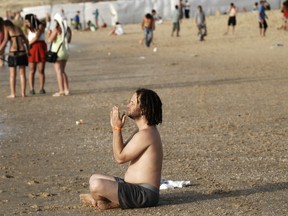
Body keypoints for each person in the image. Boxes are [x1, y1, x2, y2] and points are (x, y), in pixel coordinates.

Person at [80, 88, 163, 210]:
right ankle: (107, 201)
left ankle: (106, 202)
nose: (128, 105)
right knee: (94, 178)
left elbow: (120, 158)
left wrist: (116, 129)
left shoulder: (146, 134)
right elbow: (123, 150)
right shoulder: (142, 131)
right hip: (132, 187)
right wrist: (117, 128)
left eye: (133, 103)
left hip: (144, 194)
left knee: (96, 185)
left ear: (143, 109)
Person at [0, 18, 29, 98]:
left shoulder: (7, 28)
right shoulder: (18, 28)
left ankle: (13, 94)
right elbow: (26, 41)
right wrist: (28, 51)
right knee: (22, 74)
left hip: (13, 54)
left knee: (12, 75)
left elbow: (5, 41)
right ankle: (23, 93)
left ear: (6, 25)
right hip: (23, 53)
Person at [47, 13, 70, 96]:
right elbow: (69, 40)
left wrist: (49, 34)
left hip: (57, 52)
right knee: (63, 71)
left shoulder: (56, 29)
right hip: (65, 51)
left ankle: (61, 91)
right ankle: (67, 89)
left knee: (58, 72)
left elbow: (49, 40)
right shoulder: (67, 29)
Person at [24, 14, 47, 95]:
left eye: (27, 21)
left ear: (31, 20)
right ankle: (32, 89)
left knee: (41, 70)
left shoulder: (40, 26)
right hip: (32, 49)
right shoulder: (27, 28)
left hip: (40, 47)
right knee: (32, 70)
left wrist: (27, 44)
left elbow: (37, 37)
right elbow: (27, 37)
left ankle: (42, 88)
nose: (25, 23)